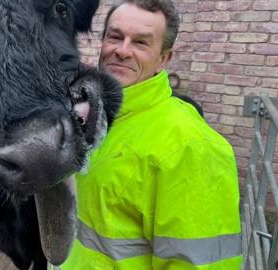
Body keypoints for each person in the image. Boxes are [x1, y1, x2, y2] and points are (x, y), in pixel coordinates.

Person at [60, 0, 242, 269]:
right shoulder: (91, 116)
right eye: (115, 36)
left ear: (164, 58)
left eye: (141, 43)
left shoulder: (190, 147)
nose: (122, 51)